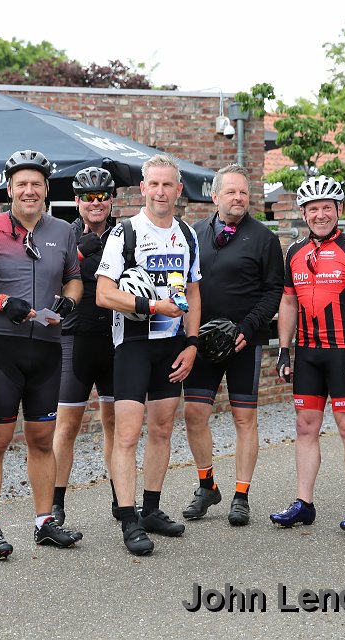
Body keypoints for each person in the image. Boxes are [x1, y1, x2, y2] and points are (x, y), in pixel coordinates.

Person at [0, 150, 84, 561]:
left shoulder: (63, 231)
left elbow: (73, 278)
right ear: (10, 189)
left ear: (46, 189)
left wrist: (70, 300)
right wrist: (3, 302)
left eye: (36, 184)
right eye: (22, 184)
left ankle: (44, 521)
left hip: (47, 347)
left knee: (42, 439)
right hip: (3, 346)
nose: (29, 191)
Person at [96, 153, 202, 556]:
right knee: (126, 435)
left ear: (178, 190)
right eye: (153, 184)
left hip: (172, 346)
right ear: (143, 188)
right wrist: (152, 306)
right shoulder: (125, 233)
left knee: (161, 429)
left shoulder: (187, 234)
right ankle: (129, 518)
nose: (160, 191)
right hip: (133, 345)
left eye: (167, 184)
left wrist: (192, 343)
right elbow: (103, 294)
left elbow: (194, 292)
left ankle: (152, 509)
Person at [270, 176, 345, 535]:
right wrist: (284, 350)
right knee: (305, 426)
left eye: (326, 208)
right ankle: (304, 504)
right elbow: (288, 302)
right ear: (304, 213)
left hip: (344, 351)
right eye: (313, 209)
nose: (320, 215)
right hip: (307, 352)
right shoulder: (294, 251)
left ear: (339, 210)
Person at [180, 164, 283, 527]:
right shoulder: (194, 233)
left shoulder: (265, 238)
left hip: (243, 342)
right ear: (215, 196)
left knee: (244, 418)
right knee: (194, 414)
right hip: (202, 342)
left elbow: (274, 291)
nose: (238, 198)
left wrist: (248, 327)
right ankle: (207, 486)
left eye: (243, 192)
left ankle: (241, 495)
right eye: (231, 192)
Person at [51, 167, 117, 526]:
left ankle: (121, 499)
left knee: (115, 425)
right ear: (77, 201)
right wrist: (78, 253)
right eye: (89, 197)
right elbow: (47, 280)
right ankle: (56, 504)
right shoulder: (63, 235)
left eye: (102, 196)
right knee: (67, 427)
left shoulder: (124, 235)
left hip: (115, 341)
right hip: (74, 339)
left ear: (111, 200)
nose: (96, 203)